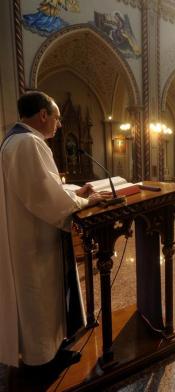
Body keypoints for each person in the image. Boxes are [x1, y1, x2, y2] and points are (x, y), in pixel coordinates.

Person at [0, 91, 110, 372]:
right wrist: (86, 200)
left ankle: (52, 350)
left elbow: (42, 188)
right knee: (40, 298)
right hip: (35, 242)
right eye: (57, 118)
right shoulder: (28, 143)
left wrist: (74, 191)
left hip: (30, 235)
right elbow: (44, 197)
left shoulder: (17, 140)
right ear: (43, 115)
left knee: (43, 299)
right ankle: (43, 362)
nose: (59, 125)